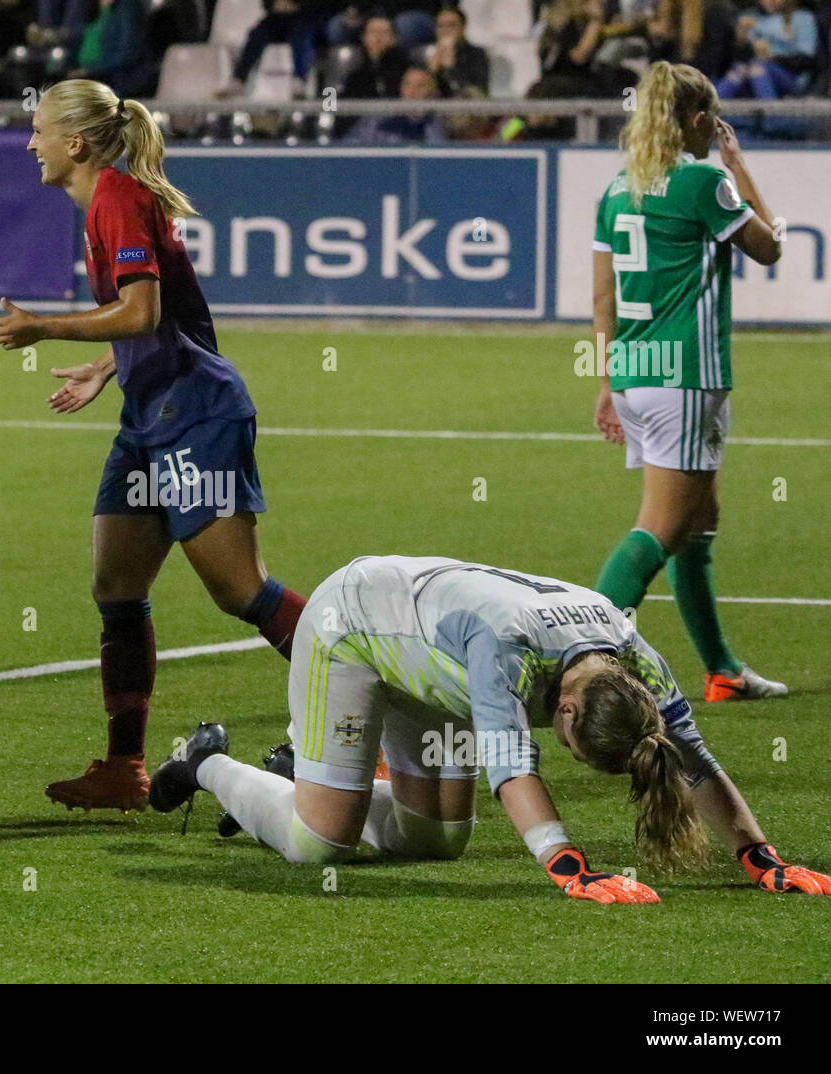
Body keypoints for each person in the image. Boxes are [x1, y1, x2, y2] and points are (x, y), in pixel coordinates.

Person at [0, 79, 308, 812]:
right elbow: (169, 317)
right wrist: (108, 367)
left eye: (37, 129)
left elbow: (141, 310)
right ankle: (124, 769)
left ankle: (365, 738)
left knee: (241, 591)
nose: (30, 142)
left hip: (196, 414)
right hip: (148, 419)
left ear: (74, 143)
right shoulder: (107, 200)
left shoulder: (118, 198)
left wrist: (45, 328)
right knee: (117, 587)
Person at [151, 555, 831, 900]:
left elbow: (693, 759)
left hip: (428, 661)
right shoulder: (507, 650)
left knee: (437, 840)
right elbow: (514, 770)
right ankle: (207, 764)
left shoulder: (633, 653)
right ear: (564, 712)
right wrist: (573, 872)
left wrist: (761, 859)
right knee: (319, 842)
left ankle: (307, 776)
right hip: (353, 629)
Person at [591, 61, 786, 701]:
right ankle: (573, 656)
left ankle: (723, 671)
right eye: (713, 122)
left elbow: (604, 299)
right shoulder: (705, 179)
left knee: (699, 521)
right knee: (663, 528)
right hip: (685, 376)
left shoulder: (619, 189)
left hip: (636, 373)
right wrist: (739, 165)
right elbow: (769, 247)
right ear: (701, 121)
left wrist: (606, 378)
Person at [716, 0, 819, 101]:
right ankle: (710, 110)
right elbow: (740, 58)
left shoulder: (803, 18)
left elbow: (806, 60)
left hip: (792, 77)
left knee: (758, 69)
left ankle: (772, 115)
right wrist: (741, 39)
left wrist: (772, 58)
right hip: (754, 70)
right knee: (737, 71)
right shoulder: (751, 17)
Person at [423, 4, 487, 95]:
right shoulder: (422, 52)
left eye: (451, 25)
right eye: (440, 25)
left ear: (462, 27)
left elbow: (476, 90)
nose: (445, 30)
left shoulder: (476, 54)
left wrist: (451, 68)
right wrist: (432, 71)